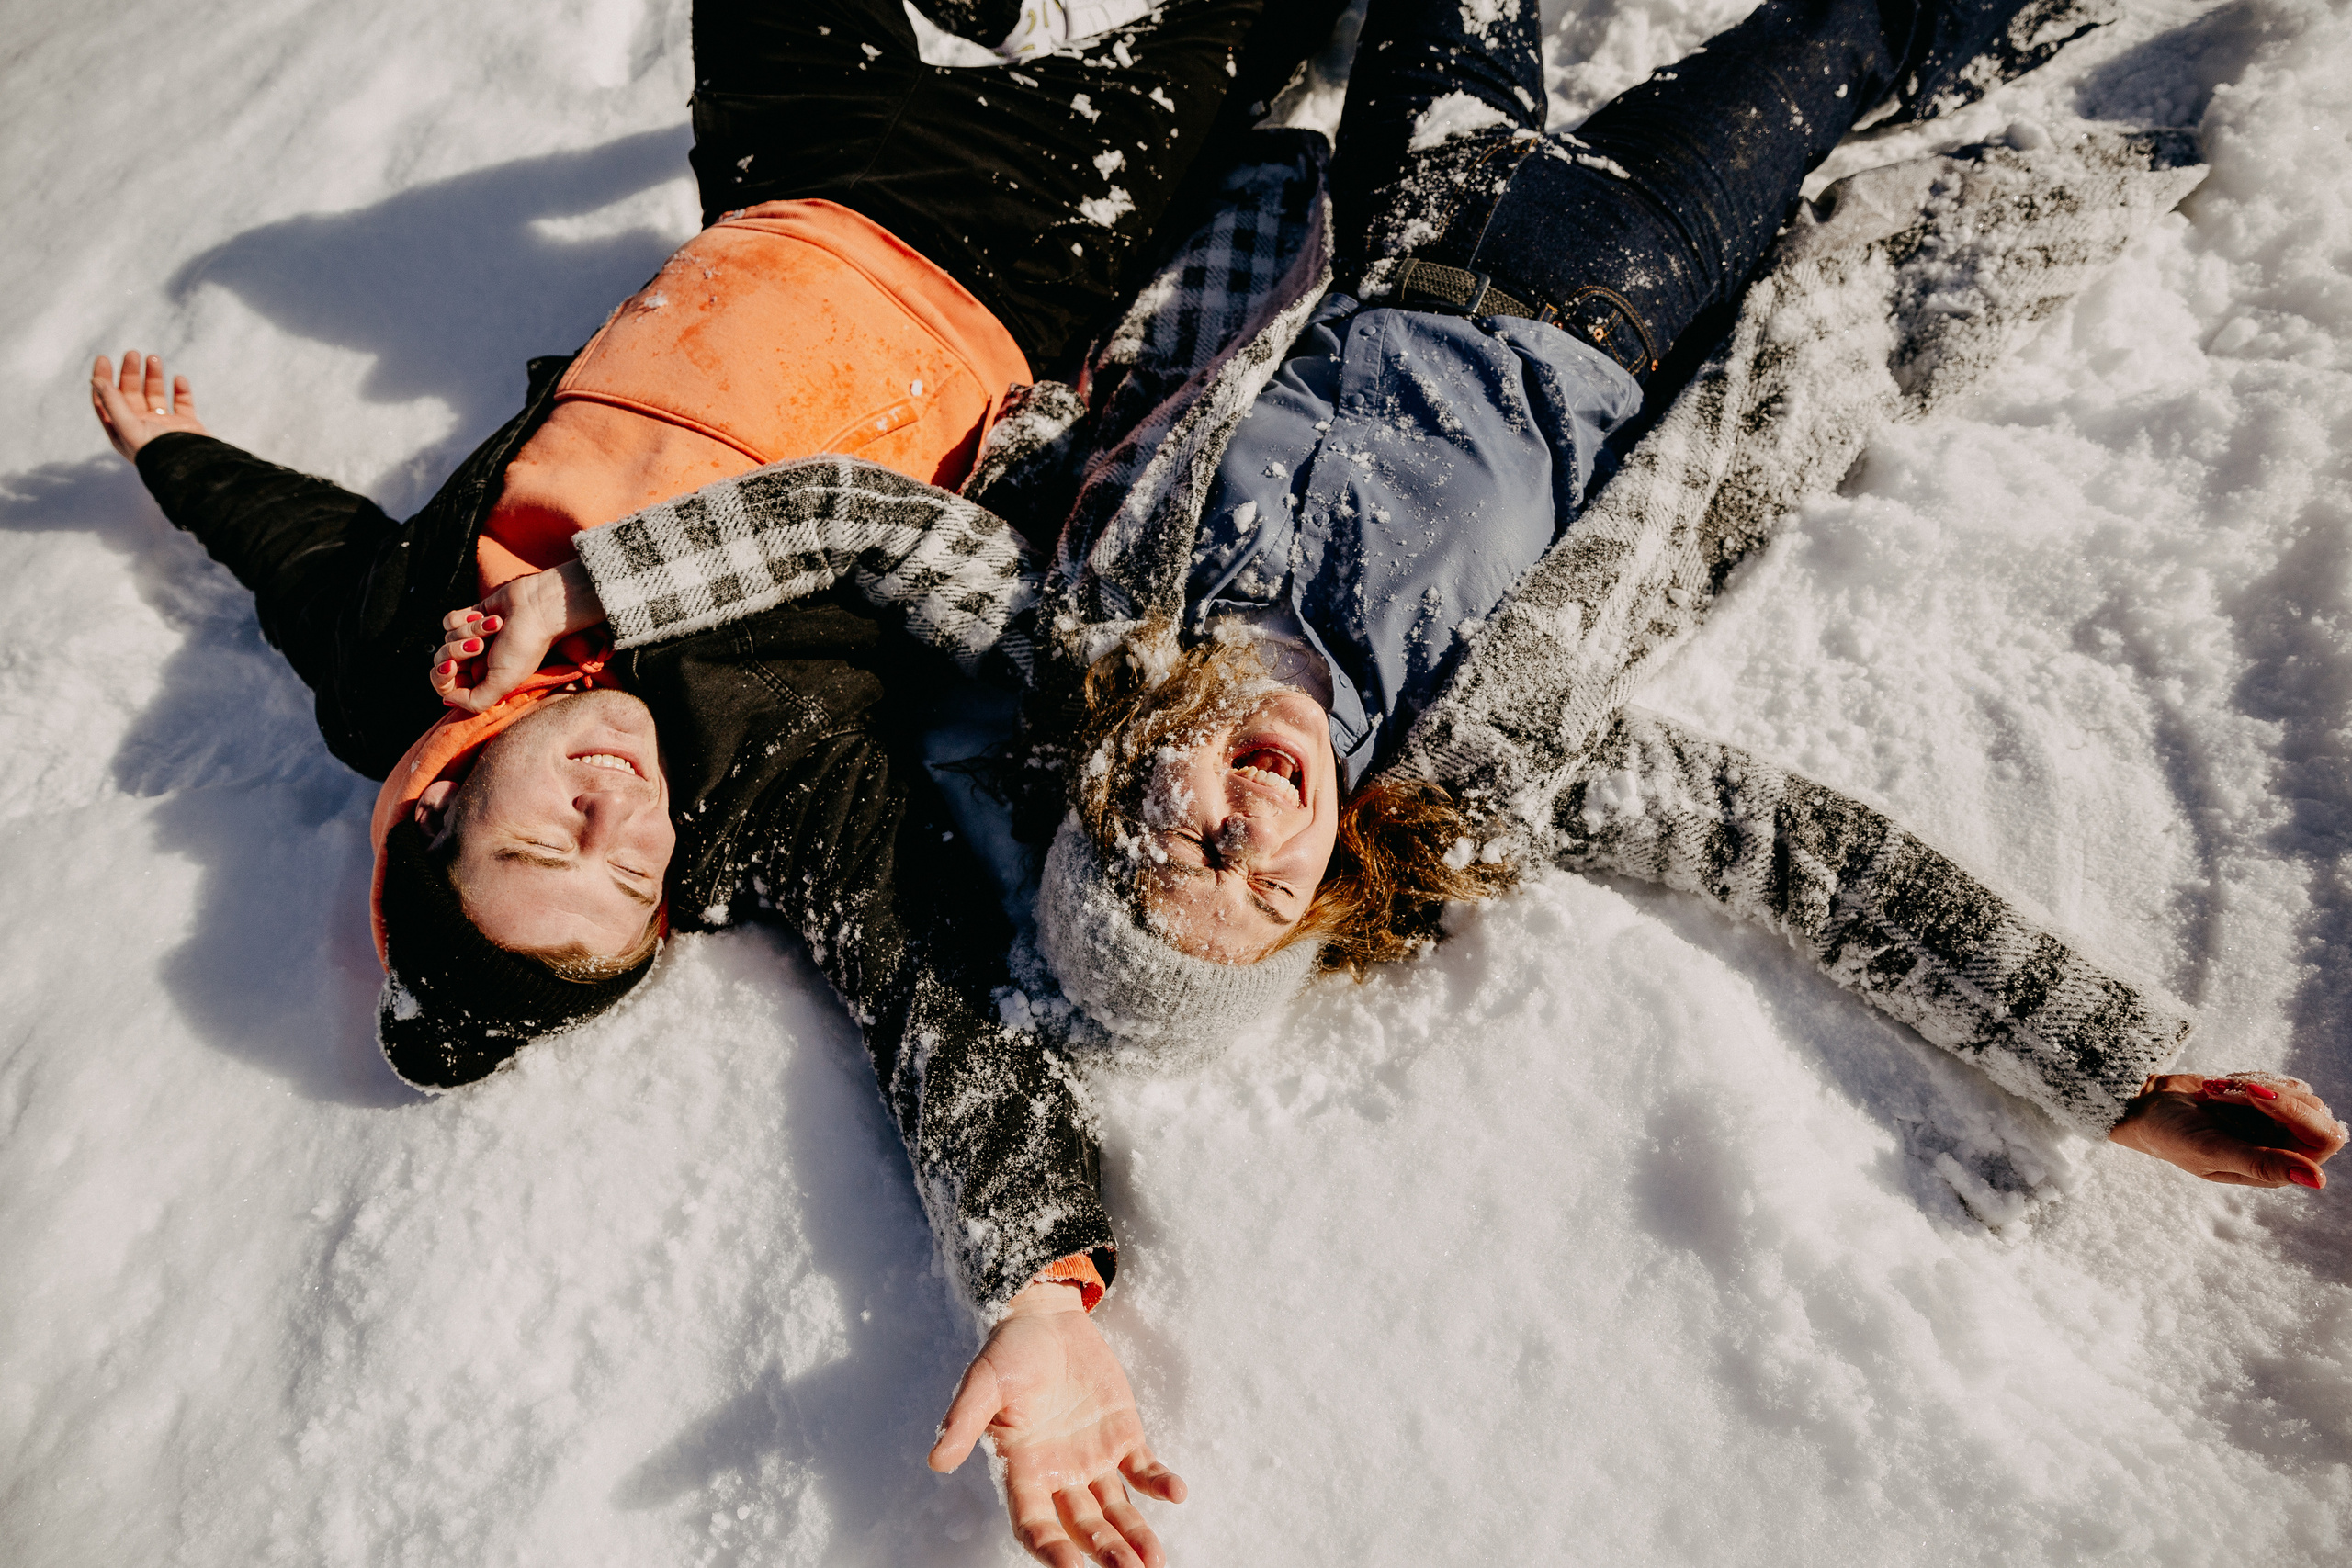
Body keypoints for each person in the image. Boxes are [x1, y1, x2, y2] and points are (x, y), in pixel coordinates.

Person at [424, 0, 2346, 1195]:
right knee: (1841, 38)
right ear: (1322, 888)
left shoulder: (1086, 615)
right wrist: (2116, 1075)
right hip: (1613, 285)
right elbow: (1794, 856)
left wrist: (583, 588)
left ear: (1111, 779)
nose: (1241, 819)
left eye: (1171, 833)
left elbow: (851, 512)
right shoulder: (1480, 763)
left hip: (1405, 210)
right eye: (1257, 884)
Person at [91, 5, 1344, 1565]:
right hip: (989, 247)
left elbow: (302, 556)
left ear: (435, 804)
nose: (619, 812)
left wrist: (174, 460)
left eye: (547, 839)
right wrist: (1038, 1290)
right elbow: (926, 995)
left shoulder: (390, 668)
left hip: (778, 185)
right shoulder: (766, 768)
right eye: (633, 876)